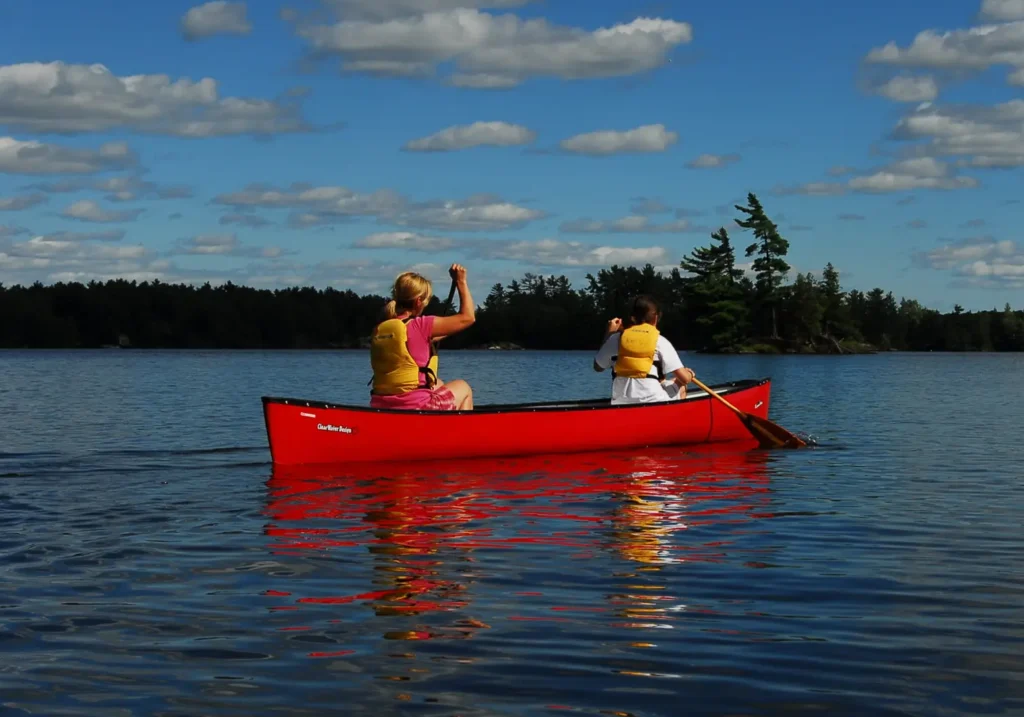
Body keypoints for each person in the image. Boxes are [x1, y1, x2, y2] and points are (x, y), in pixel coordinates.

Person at [369, 263, 475, 411]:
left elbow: (421, 341)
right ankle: (460, 433)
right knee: (463, 387)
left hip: (380, 404)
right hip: (416, 406)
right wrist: (460, 282)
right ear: (418, 301)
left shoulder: (382, 328)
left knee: (437, 383)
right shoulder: (421, 325)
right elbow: (468, 317)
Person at [593, 295, 695, 405]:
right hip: (653, 401)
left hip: (620, 402)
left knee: (665, 382)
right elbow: (684, 379)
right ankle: (674, 420)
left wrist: (609, 333)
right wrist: (689, 374)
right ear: (655, 318)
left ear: (632, 318)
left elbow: (598, 367)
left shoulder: (616, 338)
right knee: (681, 385)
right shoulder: (660, 341)